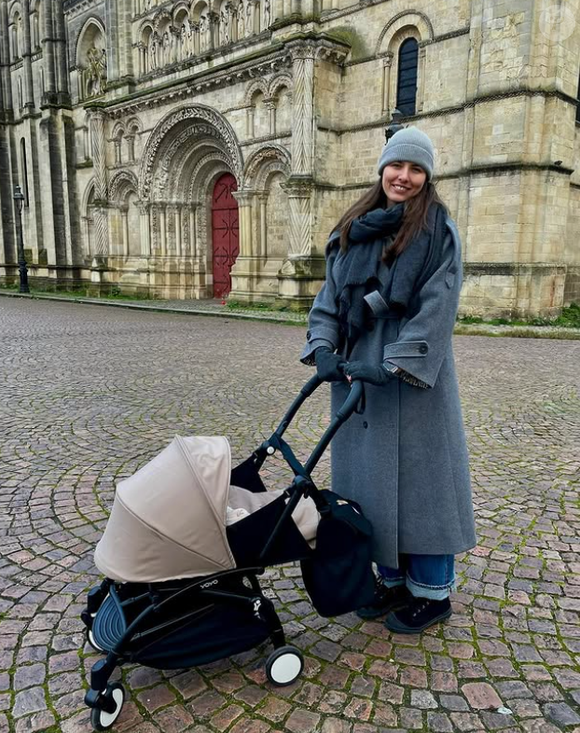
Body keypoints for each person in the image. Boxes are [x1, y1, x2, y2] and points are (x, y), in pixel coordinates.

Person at [300, 127, 476, 634]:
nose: (405, 177)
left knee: (425, 488)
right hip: (357, 375)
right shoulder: (353, 227)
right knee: (369, 488)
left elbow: (437, 307)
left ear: (427, 176)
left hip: (411, 379)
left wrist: (395, 363)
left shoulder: (437, 230)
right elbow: (329, 298)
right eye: (397, 166)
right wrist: (323, 347)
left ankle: (432, 593)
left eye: (416, 169)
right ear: (383, 169)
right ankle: (392, 580)